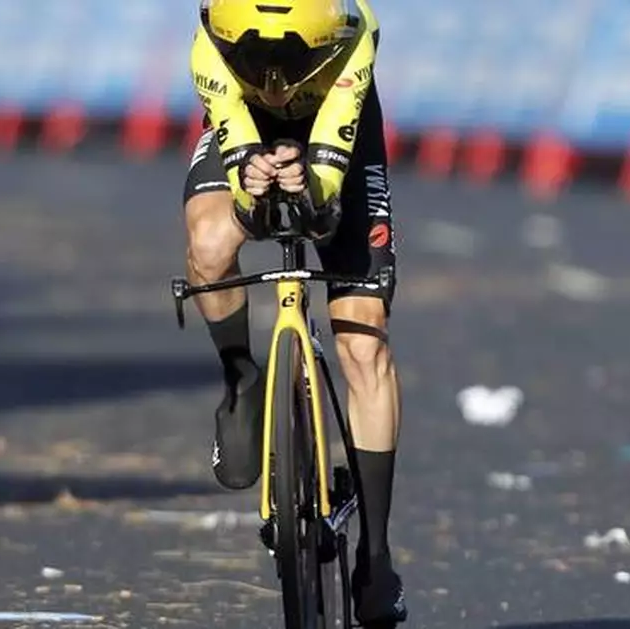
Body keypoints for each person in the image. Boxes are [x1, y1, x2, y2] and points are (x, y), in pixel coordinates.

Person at [182, 0, 405, 625]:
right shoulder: (207, 45)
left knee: (364, 343)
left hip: (340, 139)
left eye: (292, 62)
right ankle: (241, 377)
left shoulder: (357, 36)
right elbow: (242, 199)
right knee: (208, 243)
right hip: (243, 133)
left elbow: (326, 203)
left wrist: (309, 185)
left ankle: (378, 555)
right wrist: (249, 185)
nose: (274, 80)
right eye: (252, 60)